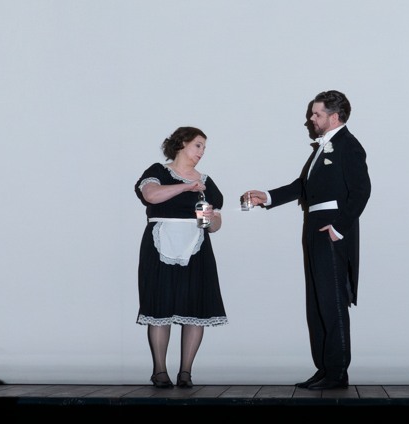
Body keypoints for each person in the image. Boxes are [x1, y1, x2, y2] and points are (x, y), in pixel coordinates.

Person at [241, 89, 371, 391]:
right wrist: (269, 196)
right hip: (314, 227)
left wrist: (339, 228)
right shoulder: (323, 148)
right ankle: (324, 368)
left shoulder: (348, 146)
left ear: (334, 117)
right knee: (317, 303)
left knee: (333, 303)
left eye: (316, 114)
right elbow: (304, 185)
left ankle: (338, 374)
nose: (310, 119)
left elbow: (362, 191)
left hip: (331, 230)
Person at [135, 126, 228, 388]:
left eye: (204, 148)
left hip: (196, 245)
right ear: (182, 143)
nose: (202, 152)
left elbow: (216, 223)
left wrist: (210, 221)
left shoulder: (207, 182)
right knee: (159, 304)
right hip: (159, 244)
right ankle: (160, 371)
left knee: (195, 307)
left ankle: (186, 372)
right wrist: (186, 188)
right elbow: (151, 195)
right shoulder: (158, 171)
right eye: (198, 145)